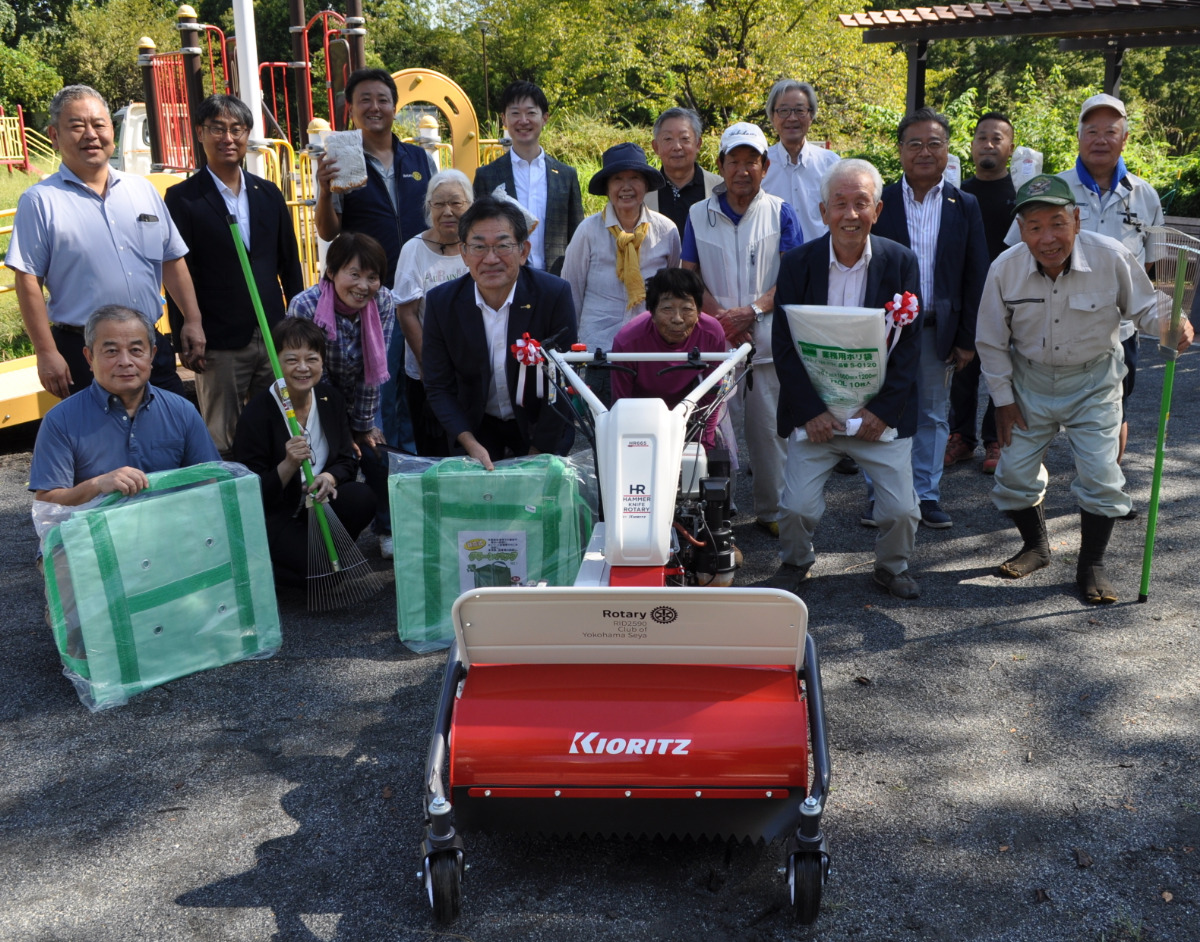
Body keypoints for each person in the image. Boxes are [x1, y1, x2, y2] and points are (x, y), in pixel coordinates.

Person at [975, 174, 1192, 604]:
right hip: (1028, 381)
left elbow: (1147, 306)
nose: (1048, 237)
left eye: (1057, 222)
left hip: (1094, 381)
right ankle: (1036, 546)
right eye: (1034, 227)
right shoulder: (1005, 269)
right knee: (1012, 477)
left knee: (1101, 476)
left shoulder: (1111, 256)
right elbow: (991, 341)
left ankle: (1091, 562)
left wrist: (1172, 323)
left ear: (1075, 219)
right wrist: (1002, 401)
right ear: (1021, 231)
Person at [773, 159, 923, 600]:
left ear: (877, 210)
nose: (850, 214)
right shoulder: (798, 264)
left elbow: (909, 347)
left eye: (861, 203)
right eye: (840, 203)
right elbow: (784, 345)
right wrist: (810, 412)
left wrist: (880, 412)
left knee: (900, 511)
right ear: (823, 212)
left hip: (876, 415)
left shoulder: (900, 262)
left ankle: (891, 567)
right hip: (818, 415)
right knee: (795, 507)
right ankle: (796, 561)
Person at [7, 85, 206, 401]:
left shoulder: (142, 190)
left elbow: (171, 259)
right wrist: (46, 352)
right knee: (100, 447)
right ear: (54, 136)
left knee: (170, 439)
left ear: (111, 130)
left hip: (148, 344)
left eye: (99, 124)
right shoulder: (41, 201)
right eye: (76, 126)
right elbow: (28, 280)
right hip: (84, 352)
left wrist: (193, 320)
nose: (90, 134)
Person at [868, 107, 989, 530]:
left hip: (938, 329)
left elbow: (976, 274)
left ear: (948, 151)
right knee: (882, 410)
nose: (924, 151)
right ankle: (880, 495)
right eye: (914, 143)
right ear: (899, 150)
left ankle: (926, 493)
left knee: (934, 414)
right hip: (884, 331)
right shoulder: (879, 200)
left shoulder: (964, 204)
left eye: (934, 143)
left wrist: (968, 337)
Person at [165, 93, 304, 456]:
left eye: (237, 129)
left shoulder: (268, 193)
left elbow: (290, 264)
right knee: (221, 434)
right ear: (200, 133)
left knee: (278, 424)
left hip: (272, 331)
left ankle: (276, 501)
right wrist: (183, 332)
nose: (228, 138)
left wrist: (296, 326)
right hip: (218, 337)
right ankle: (228, 505)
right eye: (217, 129)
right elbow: (178, 270)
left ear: (247, 134)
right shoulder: (182, 198)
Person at [682, 122, 803, 538]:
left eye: (751, 160)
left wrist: (750, 312)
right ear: (720, 165)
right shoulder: (698, 214)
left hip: (768, 342)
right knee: (715, 432)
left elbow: (792, 275)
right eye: (733, 160)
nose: (742, 169)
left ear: (765, 166)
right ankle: (722, 508)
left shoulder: (781, 211)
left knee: (770, 433)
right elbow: (689, 277)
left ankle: (772, 509)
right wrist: (723, 320)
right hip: (717, 345)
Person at [314, 67, 438, 456]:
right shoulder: (343, 158)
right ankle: (388, 464)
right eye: (364, 99)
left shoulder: (418, 157)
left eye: (383, 99)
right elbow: (328, 231)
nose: (375, 107)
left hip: (419, 290)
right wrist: (322, 189)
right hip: (373, 296)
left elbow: (437, 219)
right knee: (380, 387)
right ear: (350, 109)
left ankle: (420, 460)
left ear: (395, 107)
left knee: (420, 381)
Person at [422, 196, 578, 470]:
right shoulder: (441, 302)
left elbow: (562, 381)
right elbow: (438, 386)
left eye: (503, 245)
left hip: (538, 423)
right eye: (479, 247)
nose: (491, 258)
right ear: (464, 252)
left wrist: (538, 450)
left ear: (523, 250)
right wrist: (469, 442)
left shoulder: (553, 294)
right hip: (475, 426)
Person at [231, 318, 376, 587]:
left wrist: (329, 478)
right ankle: (269, 570)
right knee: (319, 578)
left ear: (322, 361)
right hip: (278, 515)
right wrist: (287, 465)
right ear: (275, 361)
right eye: (291, 360)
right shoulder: (257, 413)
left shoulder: (330, 399)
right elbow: (248, 493)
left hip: (319, 506)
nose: (302, 368)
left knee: (361, 497)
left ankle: (321, 559)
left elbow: (347, 460)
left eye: (311, 358)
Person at [1061, 93, 1164, 469]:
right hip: (1056, 323)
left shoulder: (1144, 194)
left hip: (1119, 330)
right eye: (1092, 131)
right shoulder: (1053, 188)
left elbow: (1151, 264)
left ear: (1125, 139)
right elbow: (1020, 250)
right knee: (1039, 409)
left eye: (1110, 131)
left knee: (1116, 406)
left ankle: (1107, 487)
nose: (1100, 139)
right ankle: (1027, 493)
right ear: (1079, 137)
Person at [29, 305, 219, 506]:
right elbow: (46, 504)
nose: (125, 361)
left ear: (152, 355)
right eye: (111, 351)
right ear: (89, 357)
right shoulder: (61, 421)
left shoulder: (182, 411)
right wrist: (97, 485)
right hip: (95, 536)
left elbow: (211, 482)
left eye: (136, 350)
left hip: (172, 532)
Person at [287, 232, 397, 557]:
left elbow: (372, 374)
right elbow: (305, 376)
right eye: (354, 274)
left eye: (372, 276)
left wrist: (361, 427)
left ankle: (387, 527)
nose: (363, 285)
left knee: (377, 456)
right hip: (314, 400)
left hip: (361, 396)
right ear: (332, 272)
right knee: (330, 462)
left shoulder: (384, 302)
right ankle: (315, 535)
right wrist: (339, 432)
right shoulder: (304, 305)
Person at [561, 143, 681, 402]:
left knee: (650, 432)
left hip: (652, 352)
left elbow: (674, 292)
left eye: (634, 178)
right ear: (607, 187)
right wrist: (575, 354)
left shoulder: (666, 230)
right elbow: (571, 294)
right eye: (617, 179)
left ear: (646, 185)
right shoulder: (587, 231)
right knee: (605, 434)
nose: (626, 187)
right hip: (600, 352)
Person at [944, 112, 1016, 475]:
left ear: (1010, 147)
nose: (988, 144)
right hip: (968, 293)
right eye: (981, 138)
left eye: (997, 138)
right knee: (963, 367)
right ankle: (960, 436)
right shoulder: (957, 194)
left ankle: (995, 438)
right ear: (971, 145)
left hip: (1010, 296)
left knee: (1002, 367)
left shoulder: (1019, 194)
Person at [392, 170, 474, 457]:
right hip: (428, 371)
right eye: (438, 204)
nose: (447, 211)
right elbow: (407, 314)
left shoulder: (476, 247)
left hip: (474, 371)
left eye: (456, 203)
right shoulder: (413, 250)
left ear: (470, 206)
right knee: (435, 451)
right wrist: (431, 367)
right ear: (429, 208)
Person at [472, 81, 584, 276]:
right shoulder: (486, 176)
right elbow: (477, 233)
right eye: (515, 113)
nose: (523, 120)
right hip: (505, 275)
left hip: (556, 277)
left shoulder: (566, 175)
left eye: (531, 113)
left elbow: (576, 235)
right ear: (504, 119)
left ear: (545, 118)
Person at [611, 267, 728, 449]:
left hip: (688, 411)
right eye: (667, 309)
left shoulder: (712, 333)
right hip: (639, 411)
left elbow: (712, 392)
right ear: (652, 313)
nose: (678, 319)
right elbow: (621, 403)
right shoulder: (627, 342)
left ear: (699, 312)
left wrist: (704, 440)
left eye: (687, 309)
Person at [761, 80, 841, 243]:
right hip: (771, 263)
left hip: (819, 260)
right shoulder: (761, 164)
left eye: (799, 110)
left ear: (811, 115)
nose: (792, 118)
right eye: (783, 111)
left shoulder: (830, 164)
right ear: (772, 116)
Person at [644, 107, 721, 234]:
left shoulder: (720, 188)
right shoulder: (644, 193)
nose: (677, 147)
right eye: (668, 139)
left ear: (698, 144)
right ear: (656, 147)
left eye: (685, 138)